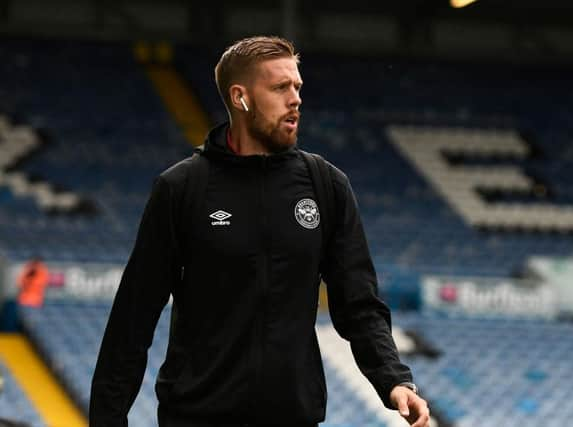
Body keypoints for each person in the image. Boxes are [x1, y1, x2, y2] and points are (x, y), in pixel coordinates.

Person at [90, 36, 429, 427]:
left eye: (297, 87)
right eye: (280, 87)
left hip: (292, 418)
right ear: (241, 97)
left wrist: (394, 379)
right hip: (196, 418)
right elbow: (134, 318)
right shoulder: (182, 188)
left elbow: (359, 304)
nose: (295, 99)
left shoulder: (326, 186)